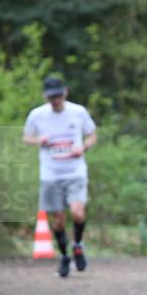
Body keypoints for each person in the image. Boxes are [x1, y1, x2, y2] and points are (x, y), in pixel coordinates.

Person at [23, 76, 98, 278]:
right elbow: (26, 136)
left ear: (65, 92)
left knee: (78, 213)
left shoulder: (78, 112)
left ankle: (78, 245)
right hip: (50, 174)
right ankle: (64, 256)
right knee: (58, 220)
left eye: (58, 95)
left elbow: (92, 134)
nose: (55, 100)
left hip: (75, 171)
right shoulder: (37, 115)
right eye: (51, 97)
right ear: (45, 96)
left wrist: (83, 146)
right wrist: (39, 140)